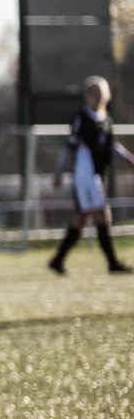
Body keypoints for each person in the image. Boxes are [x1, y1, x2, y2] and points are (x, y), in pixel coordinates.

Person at [49, 75, 133, 275]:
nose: (96, 96)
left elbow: (111, 145)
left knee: (83, 218)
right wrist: (59, 172)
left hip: (97, 175)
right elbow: (69, 147)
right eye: (92, 92)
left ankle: (57, 260)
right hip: (85, 176)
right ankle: (113, 264)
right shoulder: (82, 118)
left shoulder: (105, 119)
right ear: (87, 95)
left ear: (106, 95)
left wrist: (128, 157)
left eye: (100, 92)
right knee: (103, 215)